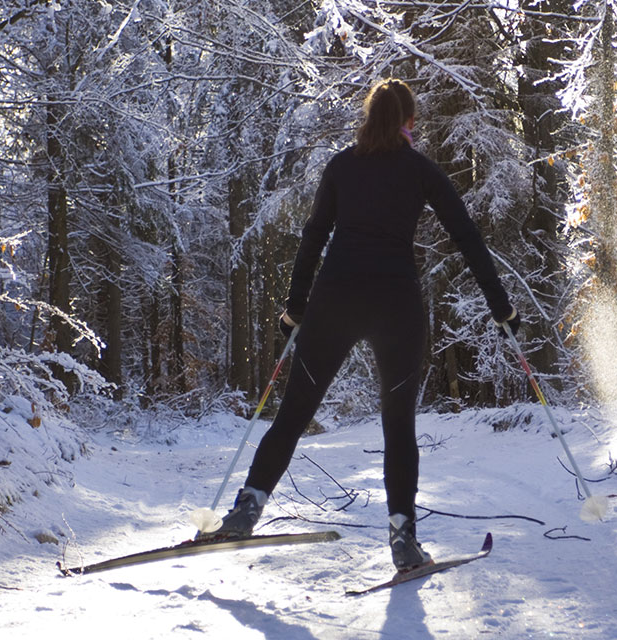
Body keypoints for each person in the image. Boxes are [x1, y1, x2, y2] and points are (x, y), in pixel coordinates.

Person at [201, 78, 519, 571]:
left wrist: (295, 307)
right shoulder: (420, 170)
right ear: (410, 121)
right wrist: (501, 307)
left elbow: (313, 236)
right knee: (399, 426)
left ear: (368, 118)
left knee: (293, 414)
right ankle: (402, 537)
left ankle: (247, 509)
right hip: (396, 305)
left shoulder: (342, 166)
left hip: (336, 300)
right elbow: (467, 236)